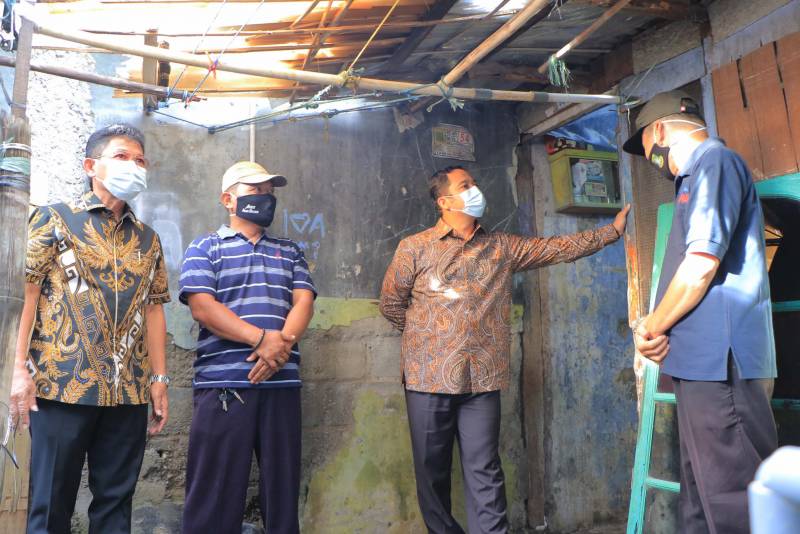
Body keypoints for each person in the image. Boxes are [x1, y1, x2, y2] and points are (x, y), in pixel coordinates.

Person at [379, 166, 628, 534]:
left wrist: (611, 232)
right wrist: (428, 338)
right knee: (431, 474)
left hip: (482, 380)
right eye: (465, 185)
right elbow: (391, 304)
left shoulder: (502, 247)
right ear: (444, 201)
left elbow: (556, 248)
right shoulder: (414, 247)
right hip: (428, 378)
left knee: (485, 470)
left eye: (475, 183)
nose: (475, 189)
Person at [623, 90, 778, 534]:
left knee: (737, 502)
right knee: (700, 500)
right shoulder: (691, 178)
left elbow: (700, 267)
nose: (651, 159)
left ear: (659, 130)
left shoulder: (715, 163)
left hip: (721, 366)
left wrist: (650, 327)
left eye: (646, 146)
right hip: (698, 367)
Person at [10, 124, 170, 534]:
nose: (133, 165)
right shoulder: (53, 219)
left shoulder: (148, 239)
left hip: (128, 392)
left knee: (116, 506)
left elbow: (154, 308)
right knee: (51, 504)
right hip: (62, 386)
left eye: (140, 160)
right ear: (90, 166)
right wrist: (17, 368)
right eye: (121, 157)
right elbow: (27, 293)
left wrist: (159, 378)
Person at [179, 161, 315, 534]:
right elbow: (203, 307)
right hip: (223, 386)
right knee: (214, 494)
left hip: (281, 384)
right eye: (255, 190)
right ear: (228, 199)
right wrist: (261, 340)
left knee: (282, 492)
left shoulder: (290, 250)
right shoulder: (205, 247)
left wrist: (281, 347)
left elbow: (303, 302)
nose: (265, 197)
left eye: (269, 192)